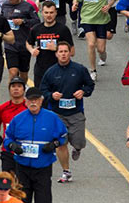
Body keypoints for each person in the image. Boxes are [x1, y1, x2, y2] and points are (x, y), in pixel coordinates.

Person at [38, 41, 94, 184]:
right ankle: (66, 171)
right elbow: (43, 89)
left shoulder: (80, 69)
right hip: (57, 114)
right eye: (60, 51)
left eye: (65, 51)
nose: (63, 54)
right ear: (56, 54)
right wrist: (51, 95)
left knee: (79, 141)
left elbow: (90, 85)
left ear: (70, 53)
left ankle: (77, 148)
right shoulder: (51, 72)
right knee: (61, 143)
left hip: (75, 113)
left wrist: (84, 92)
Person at [3, 86, 67, 203]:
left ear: (41, 101)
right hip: (22, 168)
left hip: (43, 168)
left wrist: (54, 144)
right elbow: (7, 138)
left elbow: (63, 136)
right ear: (25, 101)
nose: (33, 102)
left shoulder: (52, 117)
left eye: (36, 99)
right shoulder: (18, 119)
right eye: (30, 100)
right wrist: (13, 146)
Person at [71, 0, 119, 76]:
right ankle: (93, 70)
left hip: (101, 19)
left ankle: (103, 56)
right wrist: (75, 4)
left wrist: (108, 6)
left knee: (101, 49)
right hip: (87, 18)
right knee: (91, 44)